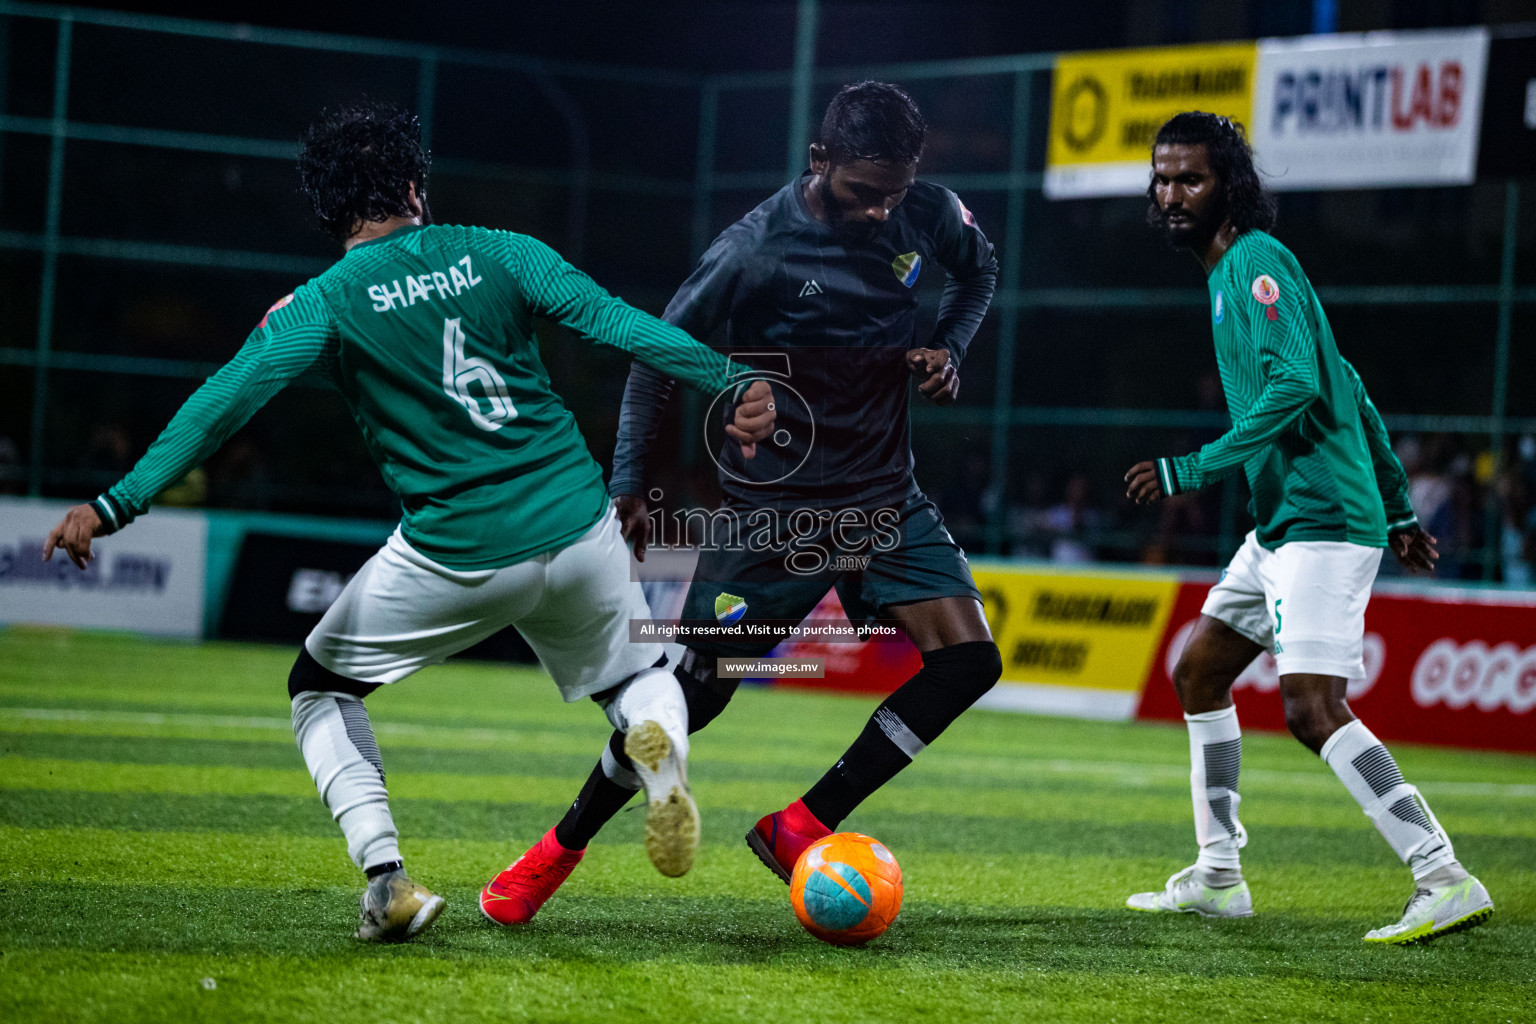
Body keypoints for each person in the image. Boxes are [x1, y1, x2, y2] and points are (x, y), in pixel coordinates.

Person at [41, 102, 776, 942]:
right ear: (416, 185)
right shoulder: (502, 250)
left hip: (459, 549)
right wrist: (732, 379)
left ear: (326, 209)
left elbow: (221, 405)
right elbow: (620, 324)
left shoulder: (321, 304)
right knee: (637, 677)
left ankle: (387, 881)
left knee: (318, 687)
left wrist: (113, 504)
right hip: (578, 528)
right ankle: (655, 746)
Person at [478, 81, 1002, 925]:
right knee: (690, 697)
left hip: (884, 496)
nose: (880, 213)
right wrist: (628, 484)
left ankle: (802, 825)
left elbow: (979, 275)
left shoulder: (930, 213)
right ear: (819, 161)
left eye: (895, 193)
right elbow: (654, 355)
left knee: (970, 660)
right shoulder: (752, 249)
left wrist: (949, 346)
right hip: (774, 514)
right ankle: (559, 848)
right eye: (864, 193)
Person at [1122, 111, 1492, 945]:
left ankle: (1443, 874)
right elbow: (1349, 385)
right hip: (1286, 524)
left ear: (1230, 186)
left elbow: (1295, 387)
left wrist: (1194, 467)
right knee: (1199, 673)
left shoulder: (1255, 261)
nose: (1171, 193)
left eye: (1191, 178)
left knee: (1311, 707)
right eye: (1162, 178)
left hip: (1321, 518)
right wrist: (1399, 506)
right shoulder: (1226, 275)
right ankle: (1218, 874)